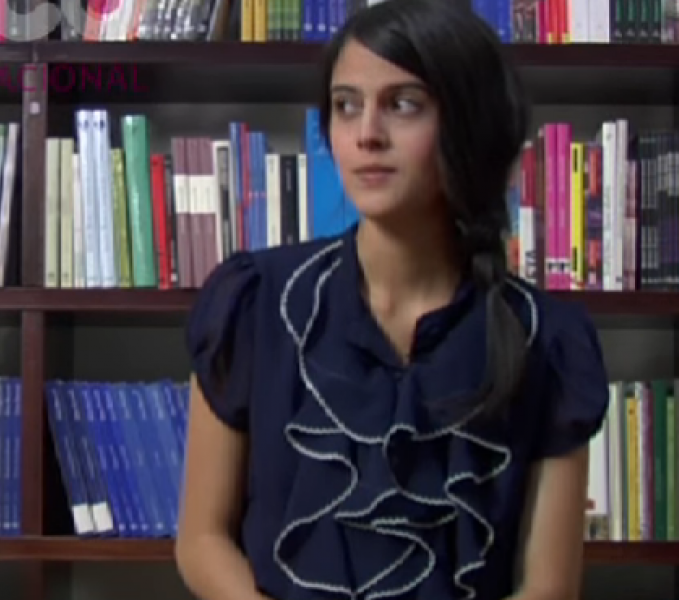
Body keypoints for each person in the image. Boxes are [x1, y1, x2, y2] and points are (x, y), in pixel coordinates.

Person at [175, 1, 611, 599]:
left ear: (468, 125)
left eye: (403, 104)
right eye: (345, 104)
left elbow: (549, 589)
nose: (366, 134)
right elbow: (201, 539)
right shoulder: (254, 302)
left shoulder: (548, 339)